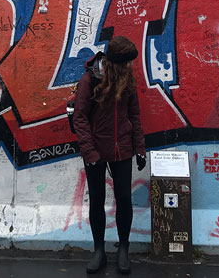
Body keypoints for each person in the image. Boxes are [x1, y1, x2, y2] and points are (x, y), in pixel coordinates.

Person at [73, 36, 146, 275]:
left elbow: (134, 115)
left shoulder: (127, 80)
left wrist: (140, 148)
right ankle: (99, 251)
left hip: (122, 148)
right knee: (97, 200)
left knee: (124, 198)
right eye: (126, 64)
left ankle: (123, 248)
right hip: (95, 149)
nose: (130, 67)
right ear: (116, 63)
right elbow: (80, 117)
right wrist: (90, 151)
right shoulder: (90, 79)